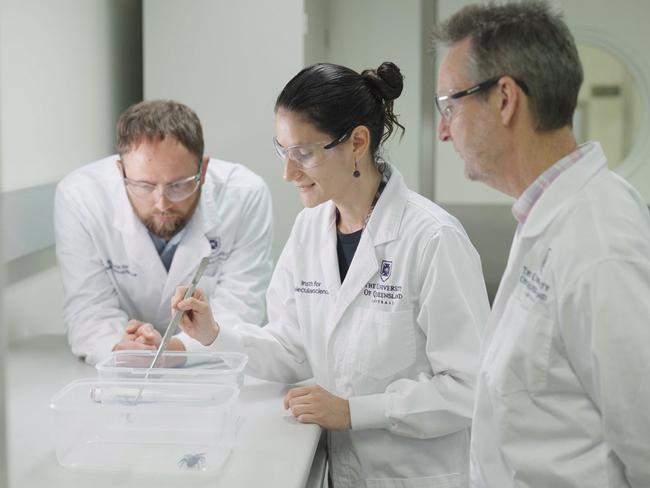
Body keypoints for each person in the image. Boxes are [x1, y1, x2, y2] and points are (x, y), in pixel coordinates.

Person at [136, 62, 489, 487]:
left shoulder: (432, 239)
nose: (288, 173)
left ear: (357, 142)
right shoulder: (309, 230)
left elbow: (469, 389)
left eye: (303, 154)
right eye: (282, 152)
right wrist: (213, 333)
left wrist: (354, 411)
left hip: (415, 475)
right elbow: (292, 348)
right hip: (341, 470)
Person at [432, 2, 650, 487]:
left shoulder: (600, 243)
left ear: (505, 99)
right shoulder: (549, 215)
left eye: (449, 106)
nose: (444, 131)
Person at [54, 100, 273, 365]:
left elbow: (241, 307)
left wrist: (173, 351)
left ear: (202, 170)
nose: (162, 203)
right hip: (123, 373)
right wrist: (122, 350)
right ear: (121, 171)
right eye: (144, 186)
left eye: (178, 186)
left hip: (211, 371)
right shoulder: (81, 197)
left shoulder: (245, 195)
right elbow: (89, 308)